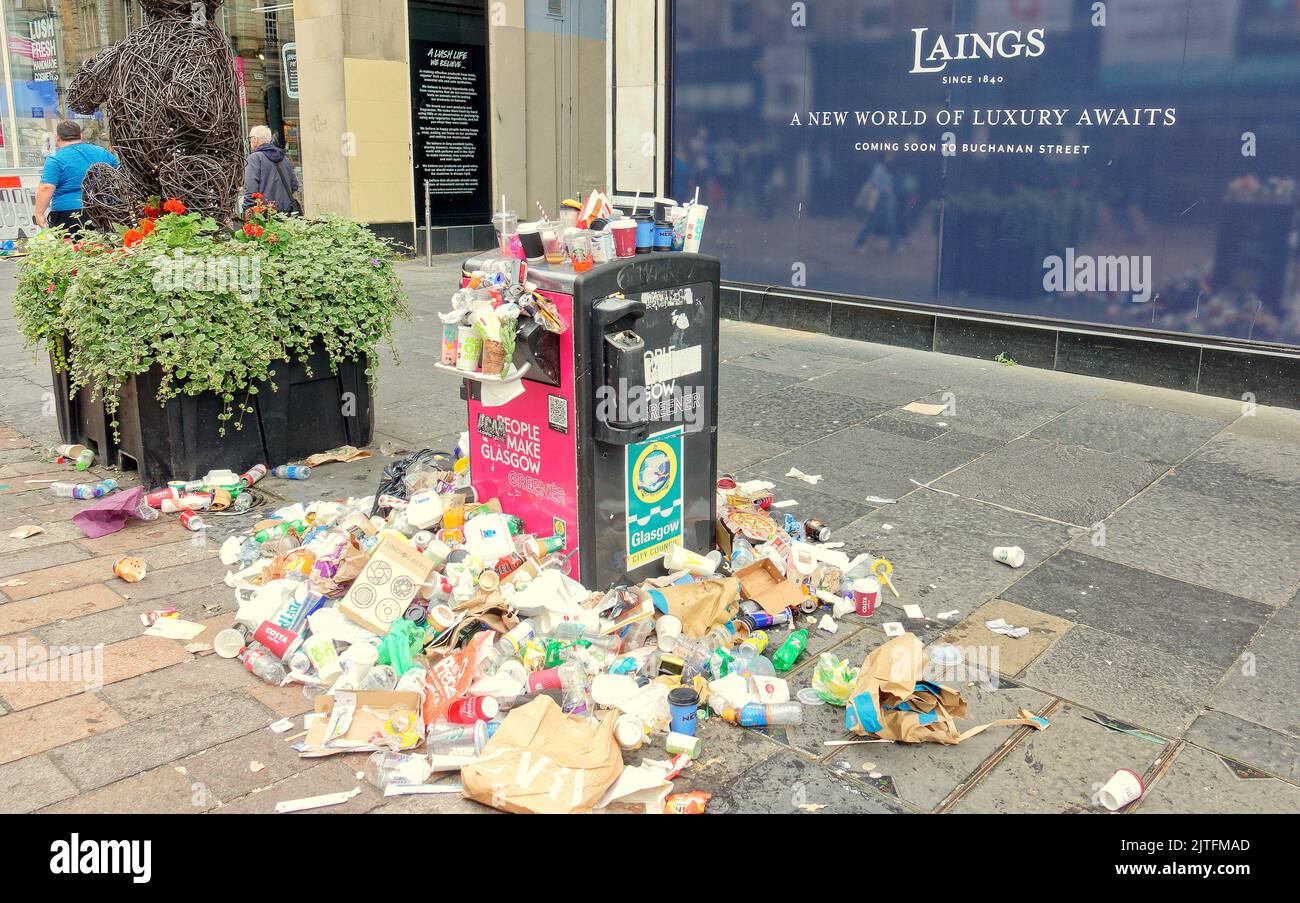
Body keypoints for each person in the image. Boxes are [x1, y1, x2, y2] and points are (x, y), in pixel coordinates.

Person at [34, 121, 120, 231]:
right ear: (81, 135)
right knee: (102, 246)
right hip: (103, 210)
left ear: (57, 137)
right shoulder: (101, 152)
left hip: (68, 214)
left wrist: (39, 214)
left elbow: (47, 187)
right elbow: (119, 172)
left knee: (73, 247)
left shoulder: (55, 159)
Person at [243, 125, 299, 214]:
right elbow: (294, 185)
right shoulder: (284, 158)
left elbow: (250, 189)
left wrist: (247, 211)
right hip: (286, 214)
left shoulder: (255, 158)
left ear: (255, 139)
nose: (250, 141)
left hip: (264, 214)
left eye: (250, 138)